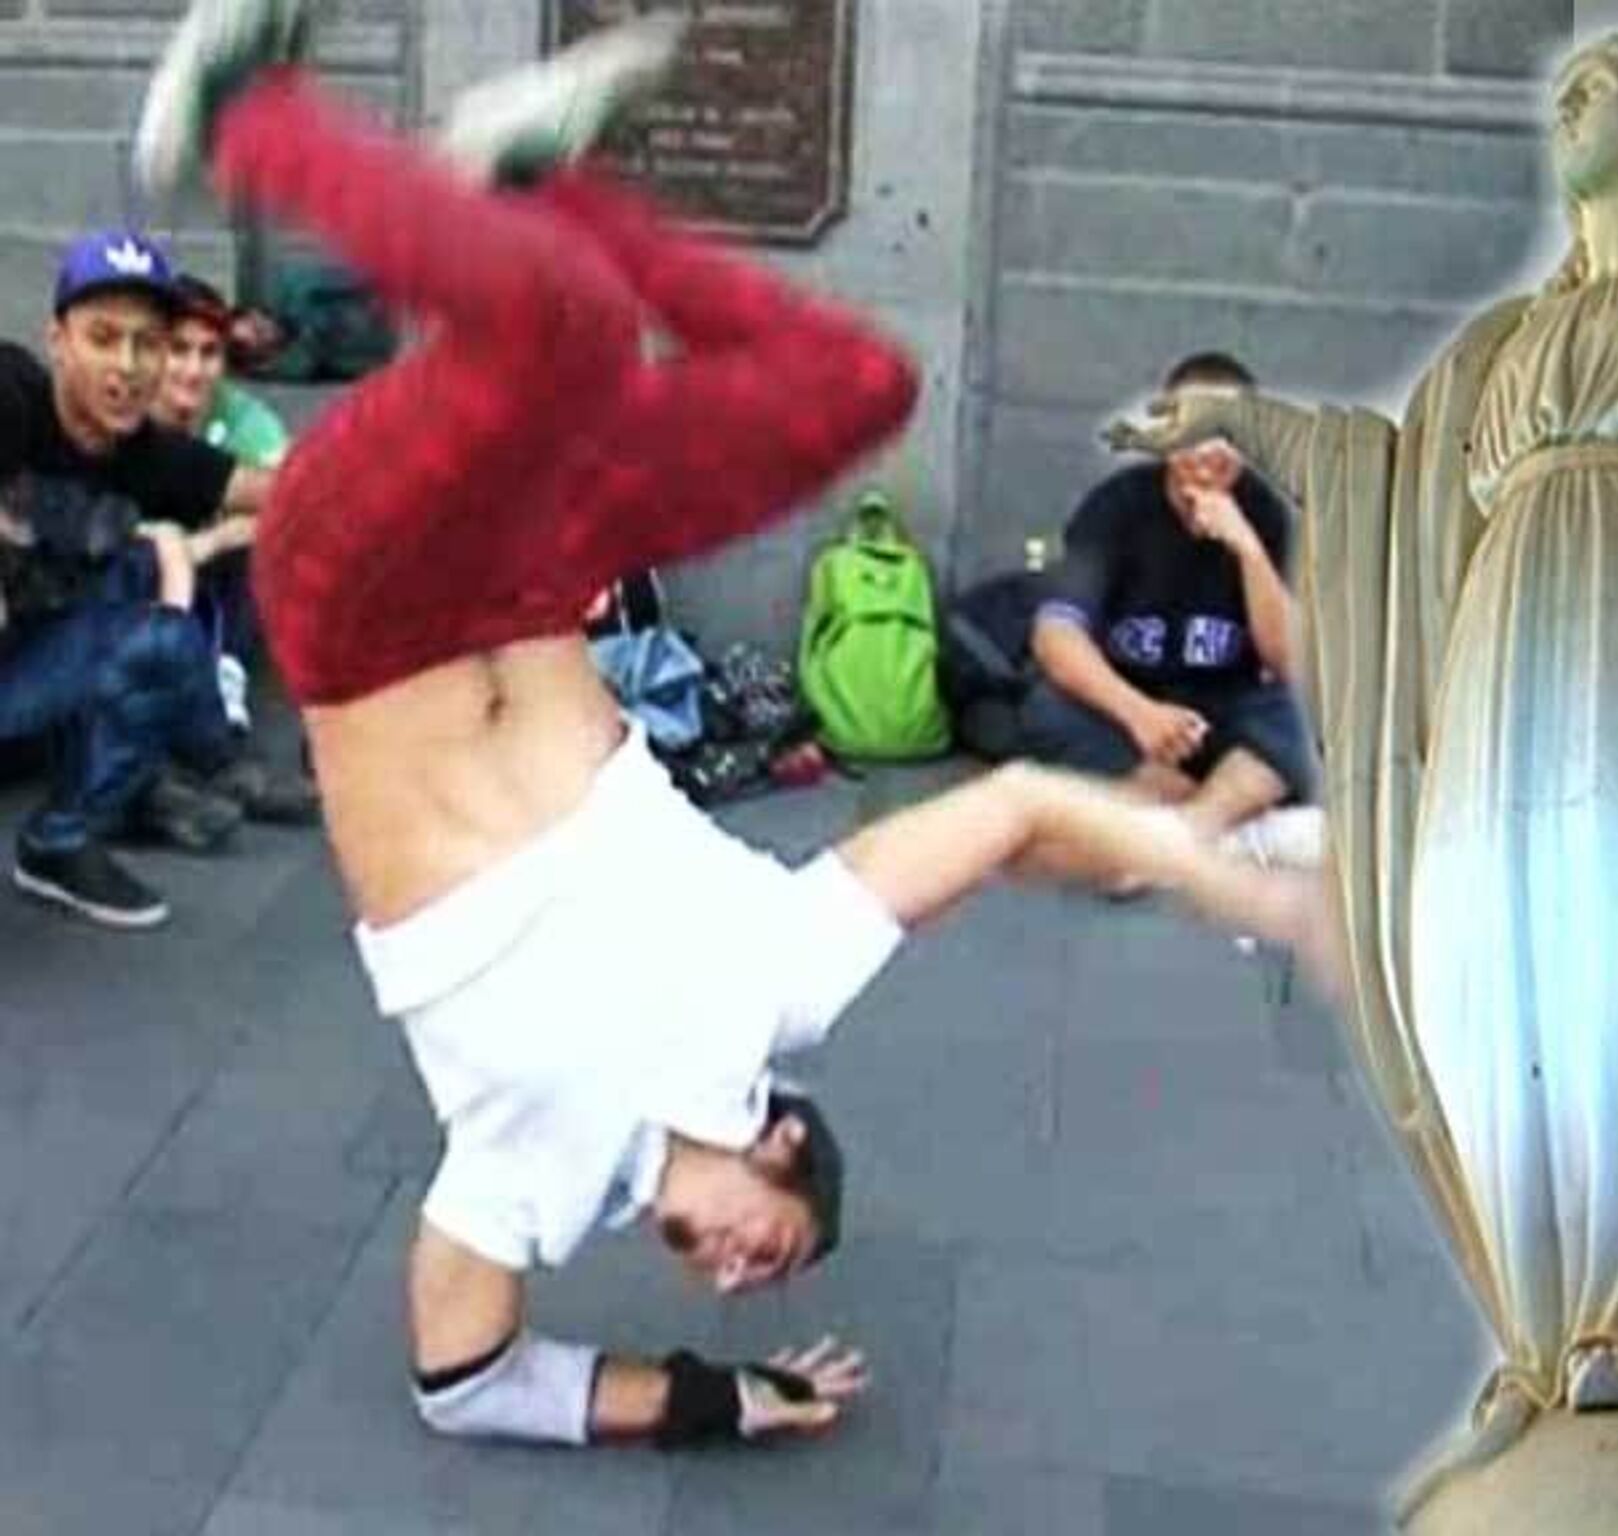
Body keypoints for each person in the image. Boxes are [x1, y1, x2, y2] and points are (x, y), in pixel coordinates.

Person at [133, 0, 1336, 1450]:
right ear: (784, 1143)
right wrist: (1233, 878)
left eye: (730, 1283)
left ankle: (254, 122)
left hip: (364, 609)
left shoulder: (536, 1175)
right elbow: (1016, 809)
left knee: (564, 335)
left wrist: (729, 1401)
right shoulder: (785, 976)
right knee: (857, 387)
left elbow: (466, 1386)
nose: (722, 1276)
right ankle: (541, 191)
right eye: (767, 1255)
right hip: (524, 566)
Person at [1115, 30, 1618, 1507]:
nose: (1566, 104)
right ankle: (1559, 1331)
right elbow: (1384, 472)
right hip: (1504, 652)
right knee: (1493, 959)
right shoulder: (1501, 349)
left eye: (1596, 89)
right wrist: (1237, 424)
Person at [0, 226, 297, 926]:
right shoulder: (12, 393)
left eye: (147, 343)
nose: (127, 365)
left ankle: (62, 841)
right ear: (58, 340)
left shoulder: (150, 456)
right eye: (103, 338)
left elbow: (275, 490)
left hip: (20, 700)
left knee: (154, 610)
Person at [1024, 351, 1319, 860]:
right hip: (1130, 711)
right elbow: (1055, 637)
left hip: (1224, 716)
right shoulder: (1115, 507)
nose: (1207, 452)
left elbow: (1290, 663)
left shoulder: (1265, 515)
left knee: (1306, 713)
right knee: (1045, 710)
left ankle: (1173, 835)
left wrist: (1247, 549)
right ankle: (1216, 822)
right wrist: (1139, 713)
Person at [152, 269, 292, 732]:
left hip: (215, 569)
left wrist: (209, 543)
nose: (193, 370)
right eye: (178, 350)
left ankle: (227, 670)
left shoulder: (247, 419)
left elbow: (296, 504)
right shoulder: (124, 409)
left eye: (208, 353)